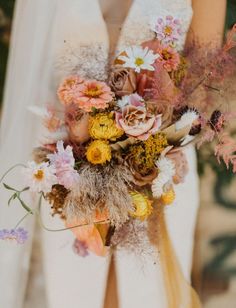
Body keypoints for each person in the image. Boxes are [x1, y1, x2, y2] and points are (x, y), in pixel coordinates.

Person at [0, 0, 226, 307]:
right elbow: (30, 76)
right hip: (70, 176)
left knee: (151, 295)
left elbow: (206, 78)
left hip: (162, 176)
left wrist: (150, 144)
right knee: (75, 293)